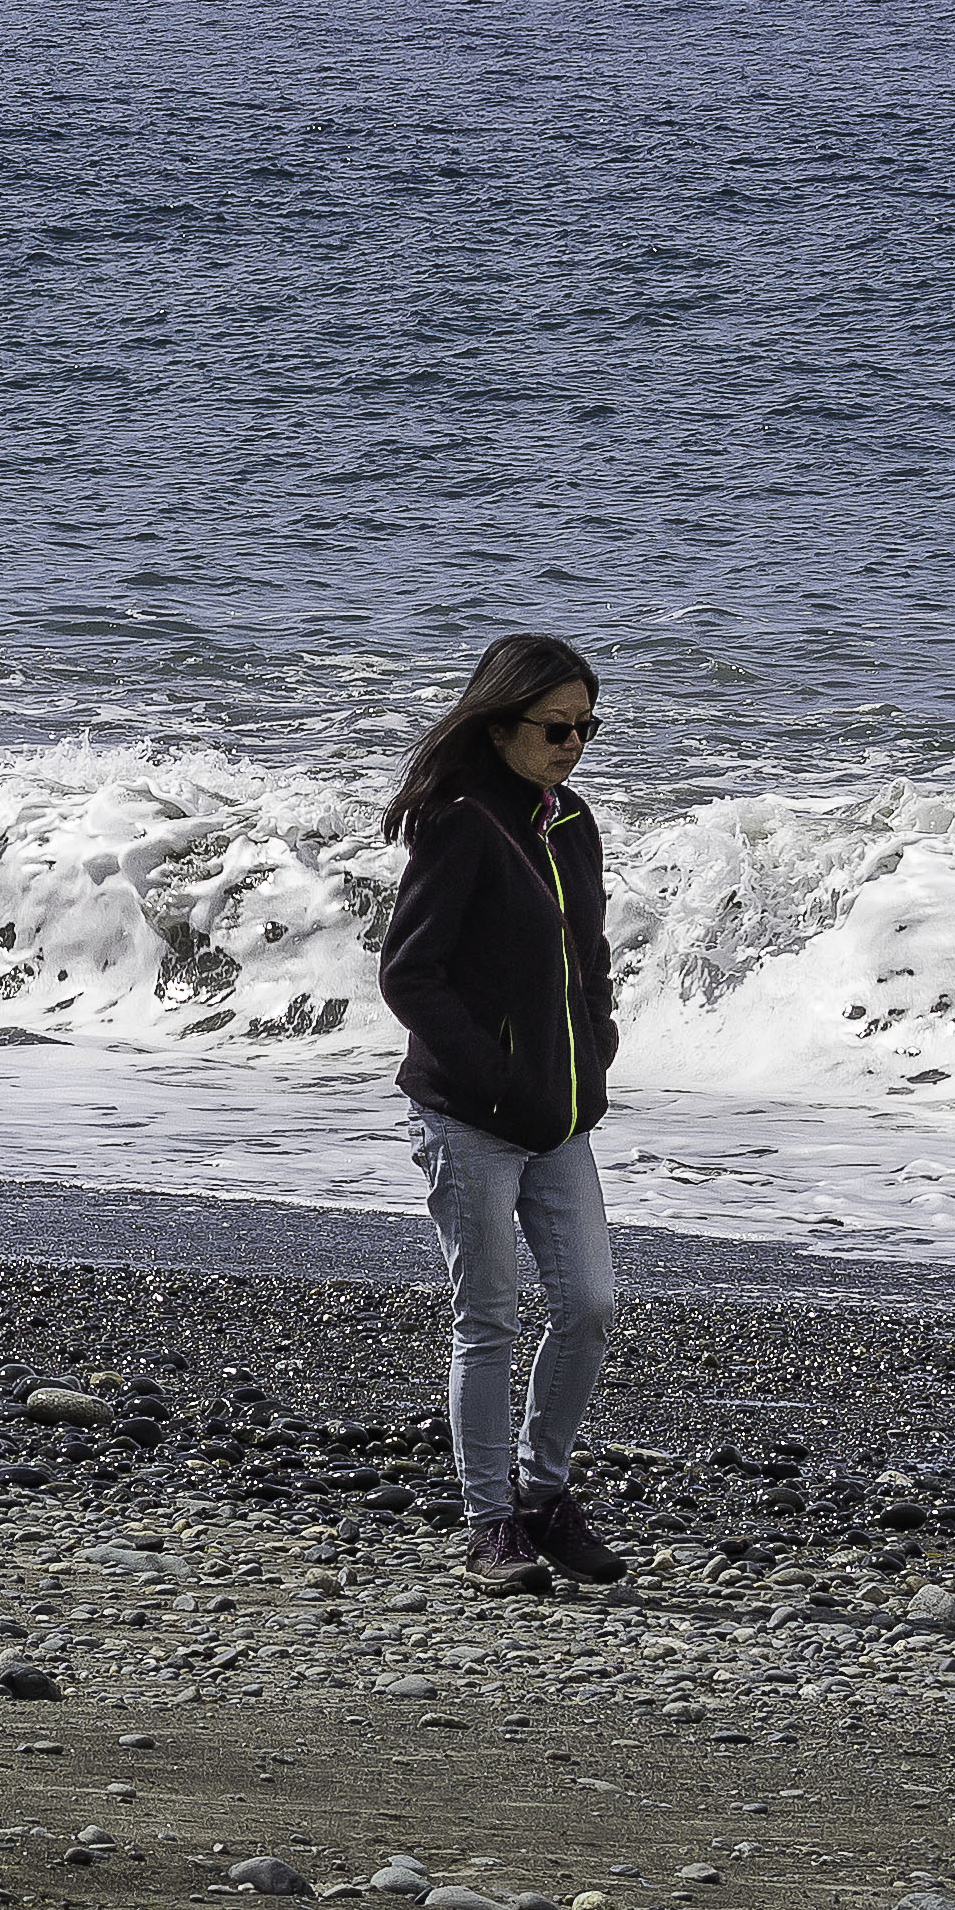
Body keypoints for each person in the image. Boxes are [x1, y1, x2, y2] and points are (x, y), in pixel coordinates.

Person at [375, 631, 626, 1597]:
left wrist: (595, 1050)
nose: (572, 745)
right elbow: (410, 973)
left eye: (587, 729)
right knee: (488, 1316)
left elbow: (589, 958)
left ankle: (544, 1494)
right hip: (469, 1120)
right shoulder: (460, 821)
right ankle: (491, 1525)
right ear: (502, 719)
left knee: (590, 1305)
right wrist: (491, 1082)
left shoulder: (572, 823)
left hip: (562, 1116)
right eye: (557, 728)